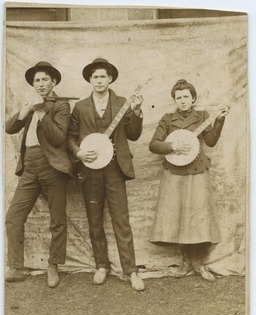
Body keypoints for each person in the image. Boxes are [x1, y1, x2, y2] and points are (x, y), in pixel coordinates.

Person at [67, 57, 145, 291]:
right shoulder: (80, 106)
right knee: (95, 221)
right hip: (90, 169)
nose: (99, 80)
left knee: (121, 220)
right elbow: (70, 136)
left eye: (103, 76)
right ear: (90, 80)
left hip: (114, 169)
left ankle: (130, 271)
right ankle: (101, 265)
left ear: (110, 78)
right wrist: (79, 152)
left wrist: (138, 111)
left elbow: (133, 135)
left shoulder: (122, 102)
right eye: (95, 77)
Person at [149, 79, 229, 281]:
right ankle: (185, 263)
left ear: (193, 98)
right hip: (174, 172)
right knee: (178, 216)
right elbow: (154, 145)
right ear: (174, 100)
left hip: (197, 170)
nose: (183, 101)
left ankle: (199, 264)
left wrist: (219, 120)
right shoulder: (167, 119)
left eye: (186, 97)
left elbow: (210, 141)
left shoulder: (203, 116)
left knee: (199, 216)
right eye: (179, 98)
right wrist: (173, 146)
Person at [5, 61, 73, 288]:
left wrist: (41, 111)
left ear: (53, 82)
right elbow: (9, 128)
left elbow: (58, 139)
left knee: (57, 220)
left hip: (52, 166)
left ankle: (53, 265)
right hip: (30, 165)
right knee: (13, 217)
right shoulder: (32, 104)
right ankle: (16, 266)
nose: (41, 83)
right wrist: (25, 110)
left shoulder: (61, 106)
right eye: (37, 80)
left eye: (45, 79)